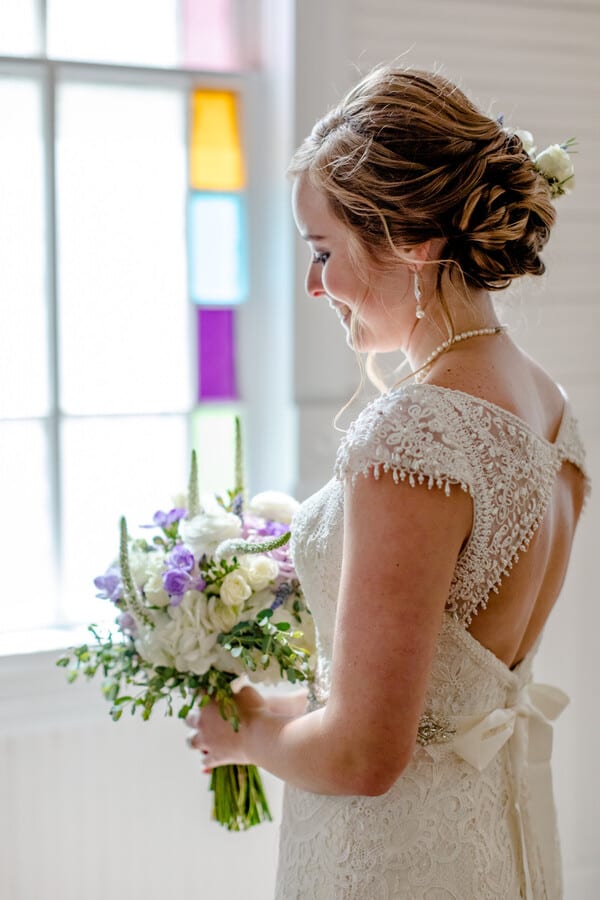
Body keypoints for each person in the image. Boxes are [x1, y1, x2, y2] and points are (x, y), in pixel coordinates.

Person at [186, 66, 589, 899]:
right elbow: (441, 696)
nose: (314, 285)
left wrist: (247, 733)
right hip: (493, 839)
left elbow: (366, 753)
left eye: (324, 251)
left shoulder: (416, 429)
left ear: (413, 240)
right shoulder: (547, 404)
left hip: (397, 862)